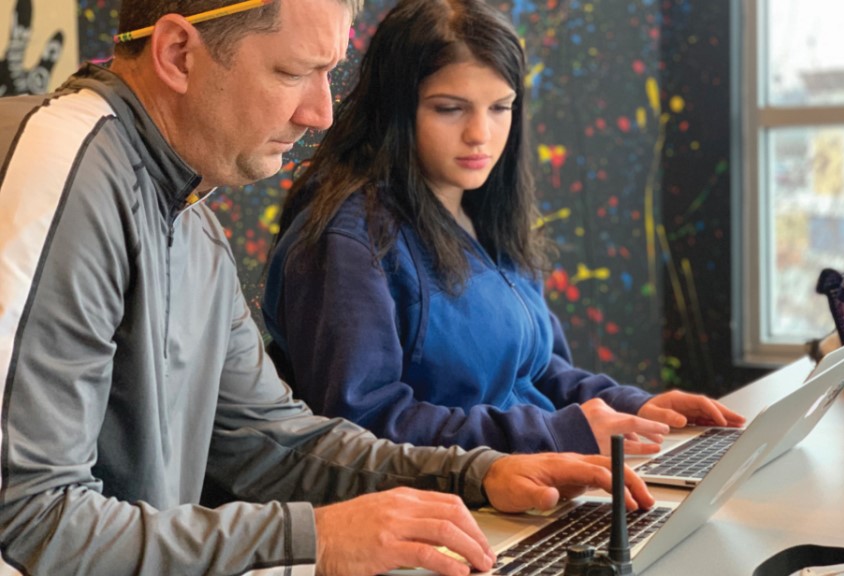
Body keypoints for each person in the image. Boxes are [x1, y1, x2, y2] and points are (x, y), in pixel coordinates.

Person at [0, 1, 657, 575]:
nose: (319, 113)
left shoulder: (190, 220)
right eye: (293, 72)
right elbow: (26, 526)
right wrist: (315, 539)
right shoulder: (63, 167)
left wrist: (479, 474)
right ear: (178, 52)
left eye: (329, 75)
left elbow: (273, 445)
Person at [262, 0, 745, 459]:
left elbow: (537, 369)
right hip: (445, 513)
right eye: (450, 108)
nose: (481, 134)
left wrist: (634, 407)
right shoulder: (348, 238)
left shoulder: (486, 212)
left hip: (533, 484)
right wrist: (559, 433)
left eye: (500, 107)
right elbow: (359, 427)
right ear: (395, 111)